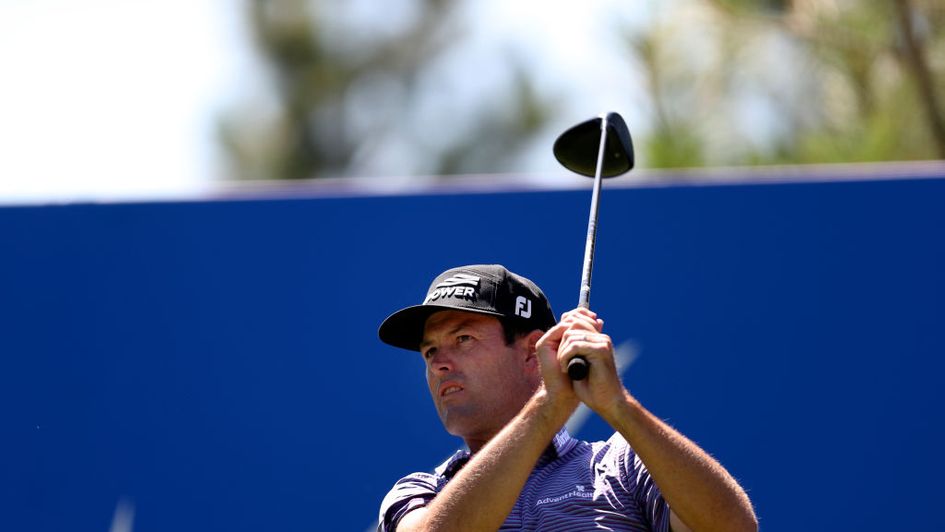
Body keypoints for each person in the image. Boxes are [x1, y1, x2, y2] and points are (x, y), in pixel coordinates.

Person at [377, 264, 757, 532]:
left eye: (463, 339)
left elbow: (732, 526)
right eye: (429, 352)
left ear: (531, 353)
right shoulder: (420, 491)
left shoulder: (622, 465)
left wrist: (619, 407)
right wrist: (547, 408)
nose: (439, 364)